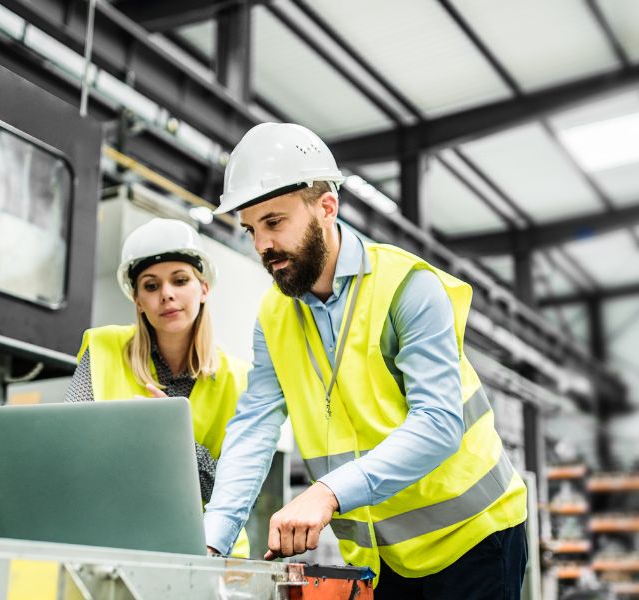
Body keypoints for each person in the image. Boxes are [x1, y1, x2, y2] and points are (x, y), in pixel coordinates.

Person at [203, 123, 528, 598]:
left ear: (326, 207)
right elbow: (254, 426)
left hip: (475, 537)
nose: (261, 246)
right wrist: (212, 541)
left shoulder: (407, 287)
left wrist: (327, 492)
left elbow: (439, 422)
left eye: (274, 222)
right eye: (251, 229)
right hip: (384, 557)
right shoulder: (273, 317)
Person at [65, 217, 250, 557]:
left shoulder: (239, 378)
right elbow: (70, 450)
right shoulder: (103, 349)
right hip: (116, 542)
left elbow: (234, 491)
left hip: (209, 550)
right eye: (151, 286)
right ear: (137, 300)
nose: (167, 294)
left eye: (180, 280)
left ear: (203, 289)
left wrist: (173, 438)